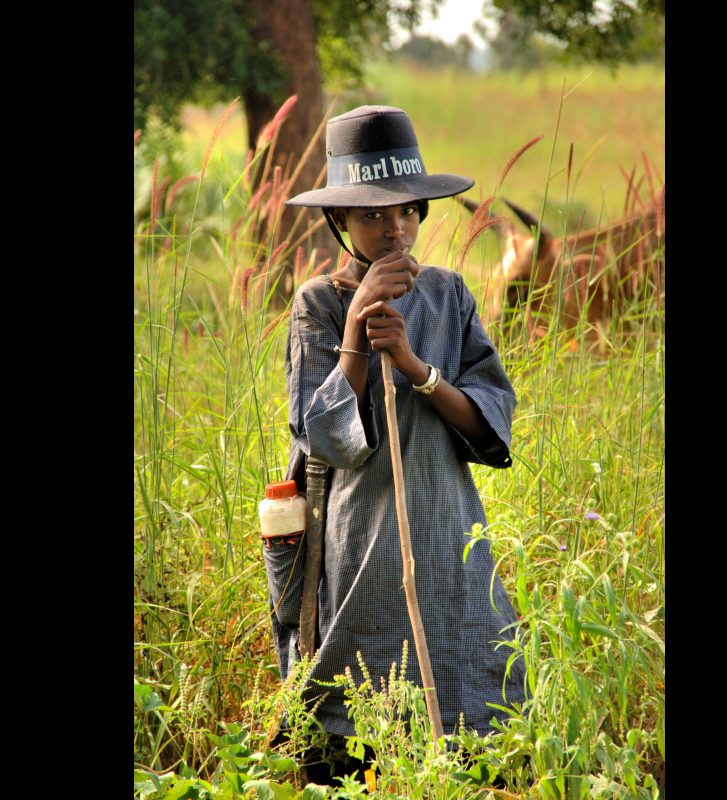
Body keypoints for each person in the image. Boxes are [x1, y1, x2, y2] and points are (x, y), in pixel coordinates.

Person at [263, 105, 526, 783]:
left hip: (446, 532)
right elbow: (323, 438)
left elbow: (489, 425)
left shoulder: (448, 296)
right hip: (360, 545)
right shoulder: (317, 303)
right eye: (374, 215)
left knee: (467, 706)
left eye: (407, 211)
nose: (394, 228)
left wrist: (416, 369)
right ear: (340, 222)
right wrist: (356, 330)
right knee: (351, 723)